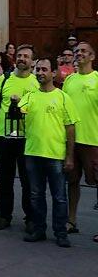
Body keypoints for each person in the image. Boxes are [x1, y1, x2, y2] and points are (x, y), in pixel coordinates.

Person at [19, 57, 76, 248]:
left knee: (59, 197)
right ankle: (39, 229)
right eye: (38, 69)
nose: (40, 73)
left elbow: (70, 128)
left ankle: (61, 233)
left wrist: (69, 156)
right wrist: (15, 103)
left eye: (44, 69)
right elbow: (17, 113)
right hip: (32, 153)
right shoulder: (30, 96)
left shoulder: (63, 97)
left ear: (53, 73)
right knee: (36, 195)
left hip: (55, 155)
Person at [0, 45, 38, 230]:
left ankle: (31, 218)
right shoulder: (5, 79)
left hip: (26, 137)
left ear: (32, 61)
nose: (22, 58)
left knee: (27, 181)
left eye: (26, 56)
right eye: (20, 55)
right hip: (4, 136)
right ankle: (4, 215)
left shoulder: (36, 83)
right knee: (5, 179)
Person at [62, 42, 98, 234]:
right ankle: (71, 220)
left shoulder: (97, 79)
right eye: (77, 51)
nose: (79, 53)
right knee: (72, 181)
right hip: (71, 141)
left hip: (93, 141)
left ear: (92, 56)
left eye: (84, 51)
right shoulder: (69, 80)